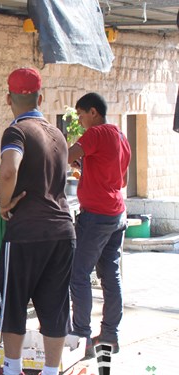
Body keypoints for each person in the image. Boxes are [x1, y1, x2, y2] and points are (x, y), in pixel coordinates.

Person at [0, 68, 75, 375]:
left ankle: (12, 373)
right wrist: (0, 187)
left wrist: (4, 203)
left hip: (27, 233)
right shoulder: (57, 134)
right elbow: (40, 180)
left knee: (14, 302)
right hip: (63, 231)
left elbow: (9, 169)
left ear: (8, 98)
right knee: (55, 305)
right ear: (41, 98)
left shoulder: (16, 130)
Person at [68, 92, 131, 358]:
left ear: (93, 112)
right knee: (110, 276)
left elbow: (66, 155)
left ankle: (81, 335)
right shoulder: (121, 137)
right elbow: (122, 180)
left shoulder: (96, 133)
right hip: (117, 214)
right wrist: (87, 169)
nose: (81, 122)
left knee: (78, 274)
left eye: (81, 116)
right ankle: (109, 335)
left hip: (97, 215)